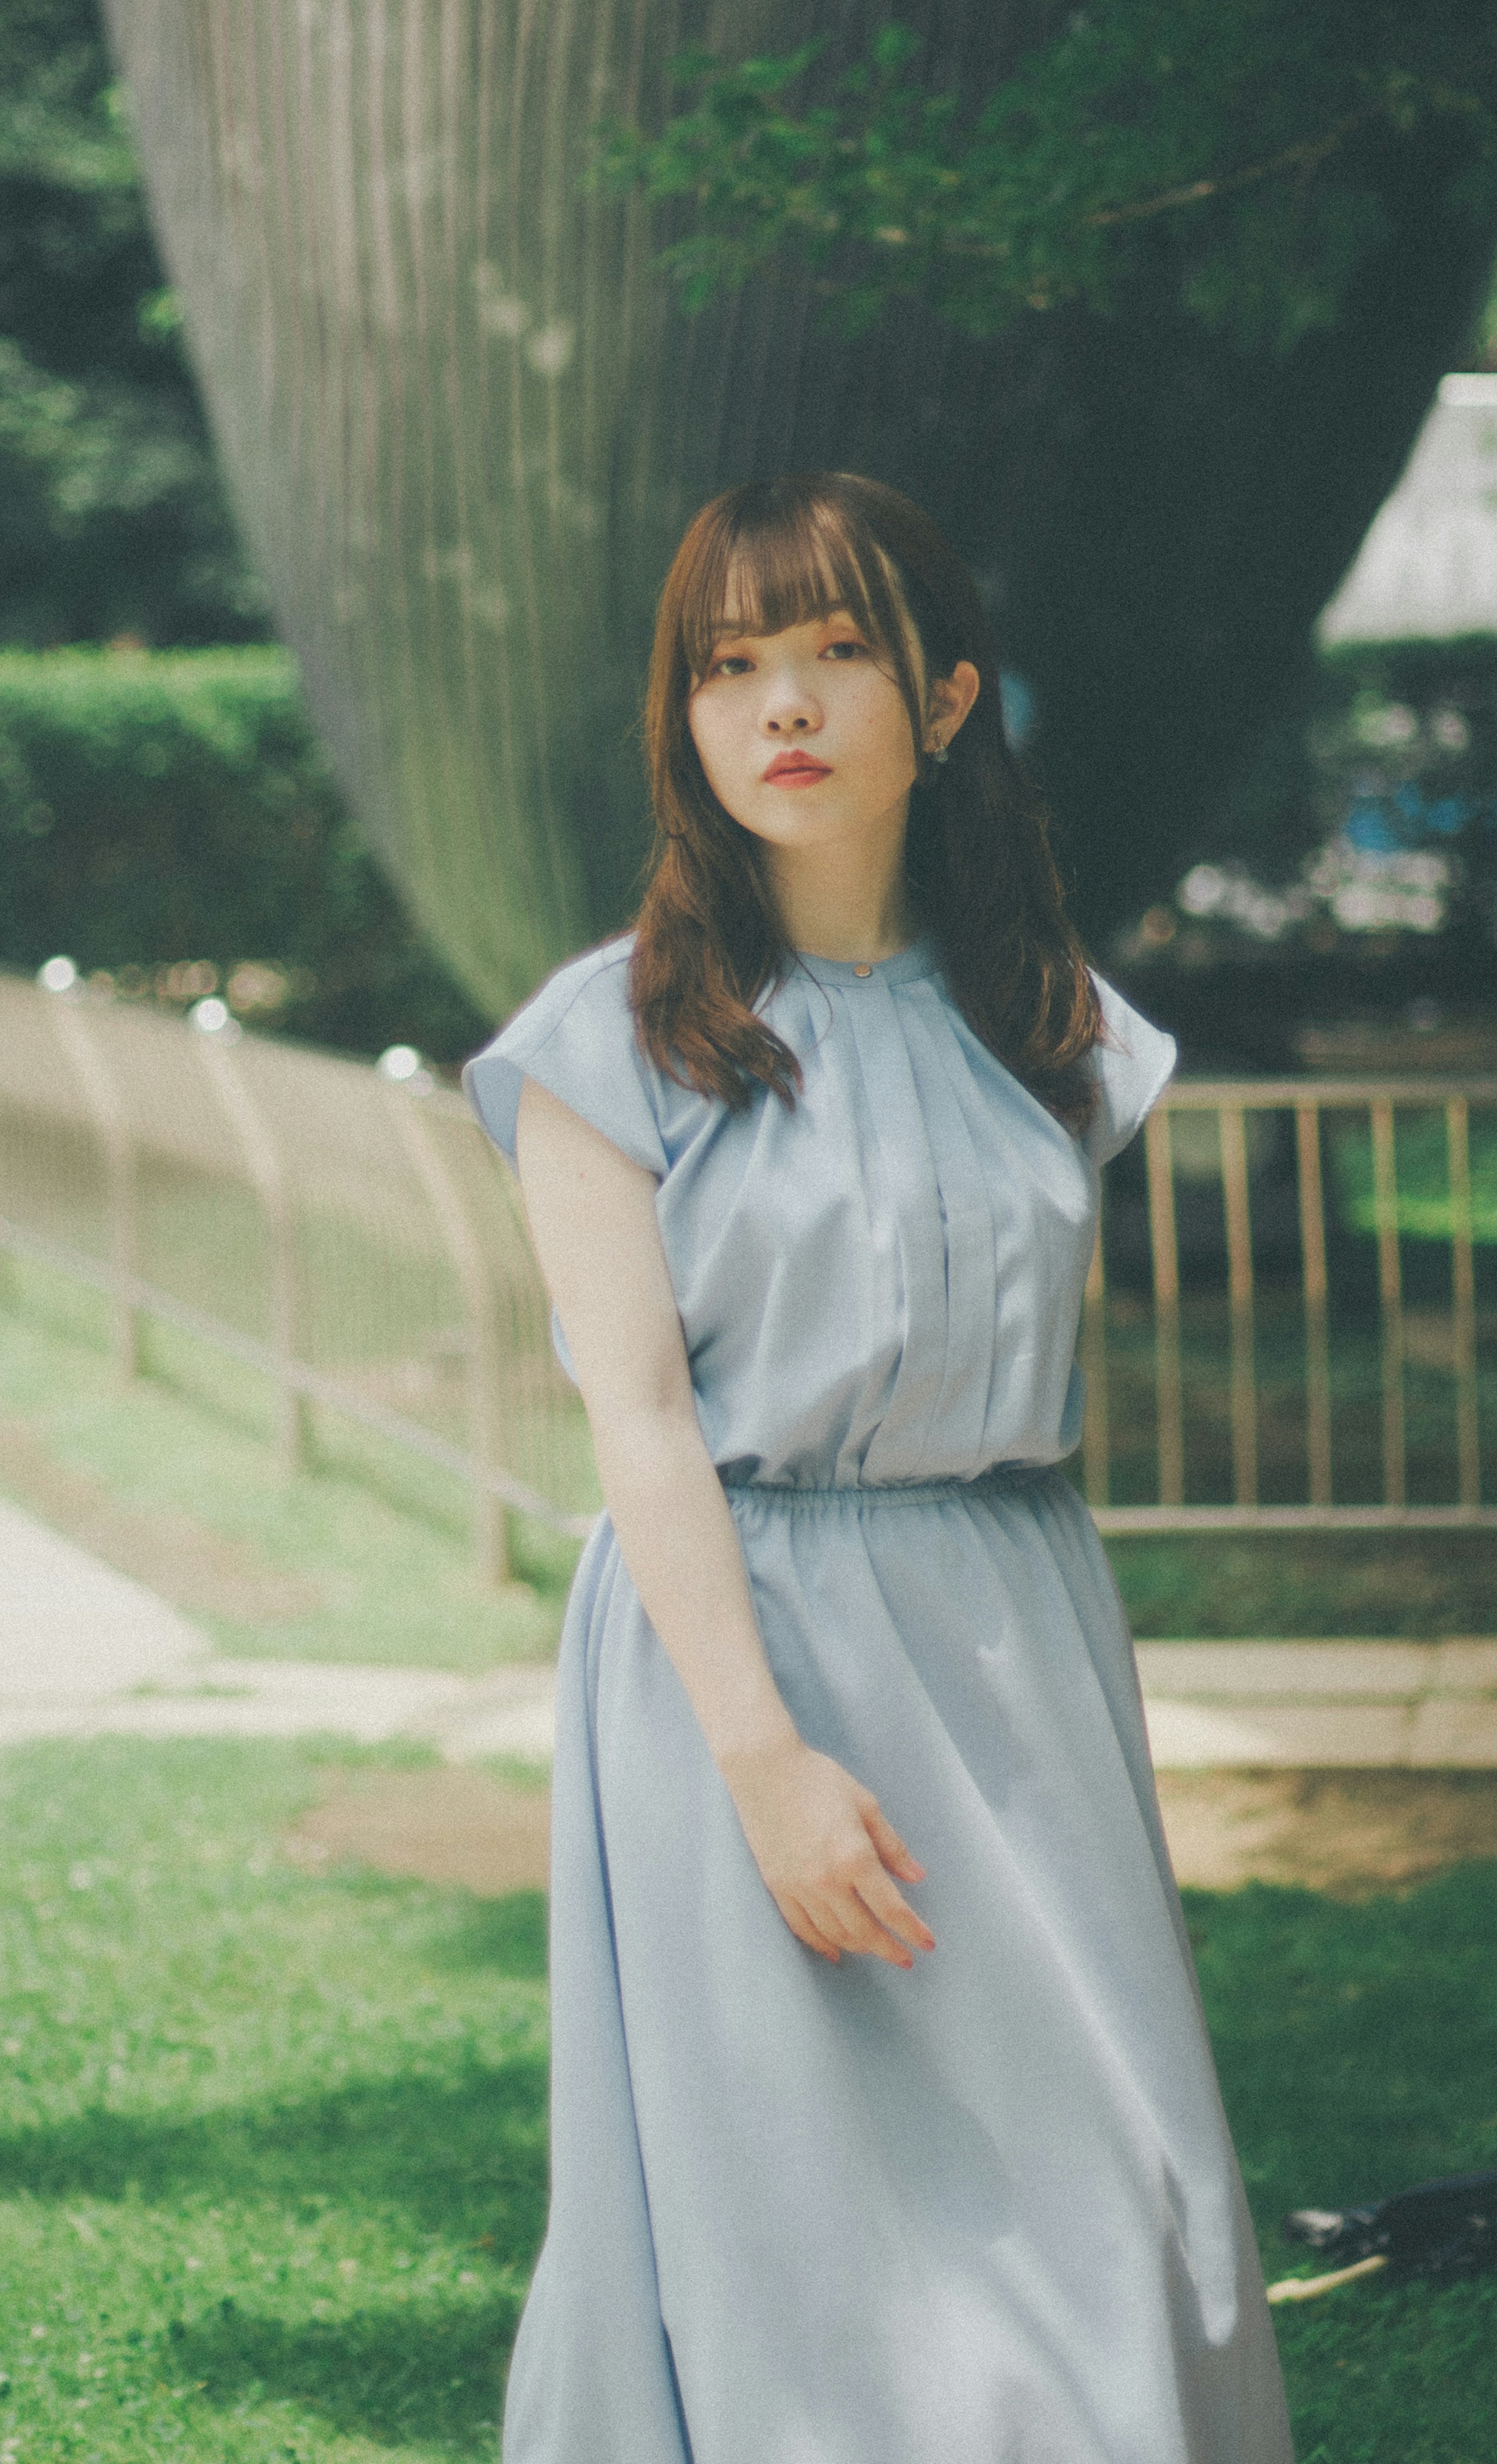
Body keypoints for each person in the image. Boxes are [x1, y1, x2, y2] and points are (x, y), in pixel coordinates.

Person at [463, 472, 1294, 2464]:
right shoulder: (615, 1043)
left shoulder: (1054, 1023)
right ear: (685, 722)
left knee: (1116, 2177)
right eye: (731, 666)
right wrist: (763, 1764)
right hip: (741, 1650)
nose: (787, 705)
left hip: (1016, 1628)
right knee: (802, 2242)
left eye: (840, 648)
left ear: (944, 701)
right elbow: (641, 1422)